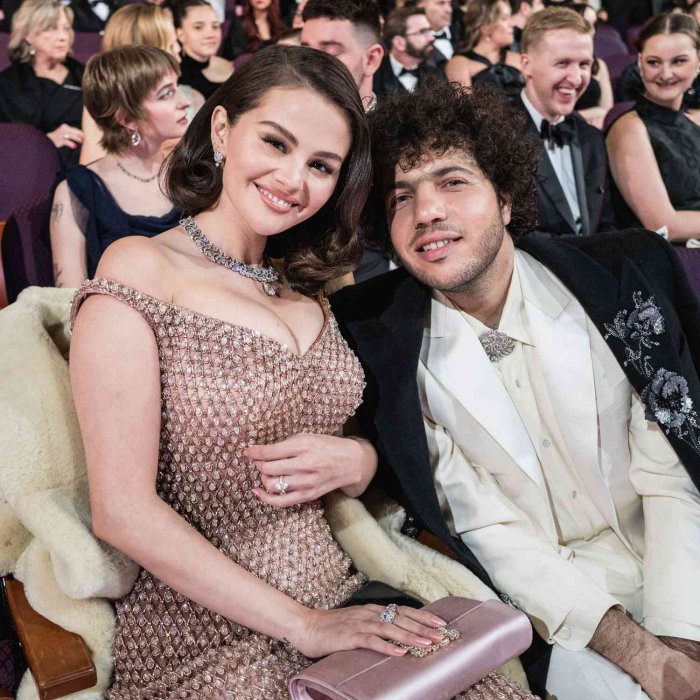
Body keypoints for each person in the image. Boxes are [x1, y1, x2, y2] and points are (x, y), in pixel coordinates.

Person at [68, 44, 503, 700]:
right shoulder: (139, 268)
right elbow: (122, 511)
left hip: (345, 597)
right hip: (202, 630)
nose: (294, 179)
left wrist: (358, 460)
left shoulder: (310, 288)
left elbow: (355, 439)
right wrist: (305, 625)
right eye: (275, 143)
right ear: (221, 129)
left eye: (321, 165)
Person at [331, 79, 700, 700]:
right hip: (549, 612)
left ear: (504, 198)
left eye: (452, 182)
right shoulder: (376, 345)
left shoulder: (623, 275)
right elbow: (482, 525)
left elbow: (672, 474)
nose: (426, 213)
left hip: (682, 556)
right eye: (400, 198)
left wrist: (681, 638)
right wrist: (641, 654)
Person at [50, 46, 189, 287]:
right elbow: (68, 298)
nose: (184, 102)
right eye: (166, 94)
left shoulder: (192, 171)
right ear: (127, 119)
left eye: (176, 87)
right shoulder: (77, 190)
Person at [301, 0, 391, 283]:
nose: (311, 65)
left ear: (372, 59)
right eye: (306, 50)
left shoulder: (401, 137)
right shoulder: (287, 132)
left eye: (330, 52)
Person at [519, 6, 616, 235]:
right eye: (562, 63)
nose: (576, 79)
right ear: (526, 65)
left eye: (584, 65)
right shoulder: (495, 136)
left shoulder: (591, 138)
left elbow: (607, 223)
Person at [606, 13, 700, 241]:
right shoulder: (629, 129)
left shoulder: (693, 120)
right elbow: (663, 225)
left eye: (679, 61)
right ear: (639, 63)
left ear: (698, 62)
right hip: (673, 256)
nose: (665, 74)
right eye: (654, 62)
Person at [79, 3, 205, 165]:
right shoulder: (105, 107)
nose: (178, 52)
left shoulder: (193, 98)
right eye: (170, 46)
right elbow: (93, 170)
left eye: (176, 43)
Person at [0, 0, 83, 169]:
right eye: (51, 29)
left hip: (87, 164)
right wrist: (45, 142)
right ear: (28, 35)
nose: (63, 37)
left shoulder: (88, 76)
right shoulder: (7, 85)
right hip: (31, 169)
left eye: (66, 28)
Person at [446, 0, 525, 102]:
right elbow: (465, 107)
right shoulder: (459, 64)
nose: (512, 24)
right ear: (485, 27)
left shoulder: (519, 59)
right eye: (504, 18)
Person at [373, 7, 445, 95]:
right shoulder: (373, 75)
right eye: (422, 32)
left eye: (429, 30)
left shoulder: (436, 74)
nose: (432, 38)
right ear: (399, 43)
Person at [175, 0, 233, 100]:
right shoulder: (175, 76)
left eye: (215, 26)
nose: (210, 34)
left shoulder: (229, 66)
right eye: (198, 27)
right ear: (180, 34)